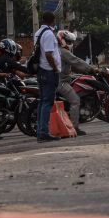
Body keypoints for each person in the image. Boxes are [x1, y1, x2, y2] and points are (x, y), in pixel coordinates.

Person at [56, 30, 97, 136]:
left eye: (71, 42)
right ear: (62, 40)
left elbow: (72, 66)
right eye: (69, 41)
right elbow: (76, 61)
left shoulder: (59, 50)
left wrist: (83, 71)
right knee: (75, 101)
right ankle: (75, 127)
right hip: (61, 82)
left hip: (63, 79)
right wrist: (91, 69)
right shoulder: (63, 52)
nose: (71, 44)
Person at [33, 12, 62, 143]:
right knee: (47, 102)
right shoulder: (49, 34)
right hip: (48, 71)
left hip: (41, 70)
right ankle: (43, 132)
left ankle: (40, 131)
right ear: (52, 20)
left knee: (42, 101)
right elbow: (49, 54)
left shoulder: (38, 32)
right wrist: (55, 68)